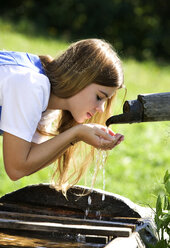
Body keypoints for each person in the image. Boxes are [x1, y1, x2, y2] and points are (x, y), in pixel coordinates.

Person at [0, 39, 124, 193]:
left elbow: (30, 160)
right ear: (79, 78)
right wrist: (76, 133)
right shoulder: (32, 85)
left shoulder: (47, 102)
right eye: (99, 97)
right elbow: (16, 167)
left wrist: (77, 135)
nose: (101, 108)